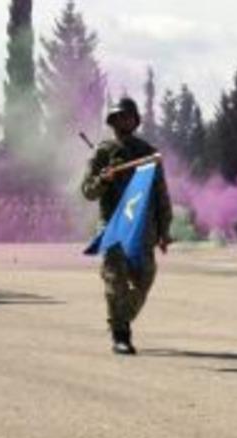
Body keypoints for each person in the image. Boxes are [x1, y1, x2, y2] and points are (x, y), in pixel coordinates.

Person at [81, 97, 173, 355]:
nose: (123, 120)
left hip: (142, 229)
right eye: (118, 117)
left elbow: (160, 194)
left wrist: (164, 230)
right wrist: (104, 180)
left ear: (135, 120)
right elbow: (87, 191)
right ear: (112, 121)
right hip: (114, 227)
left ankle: (122, 317)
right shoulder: (102, 153)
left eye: (127, 116)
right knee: (115, 281)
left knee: (144, 280)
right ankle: (120, 334)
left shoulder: (149, 153)